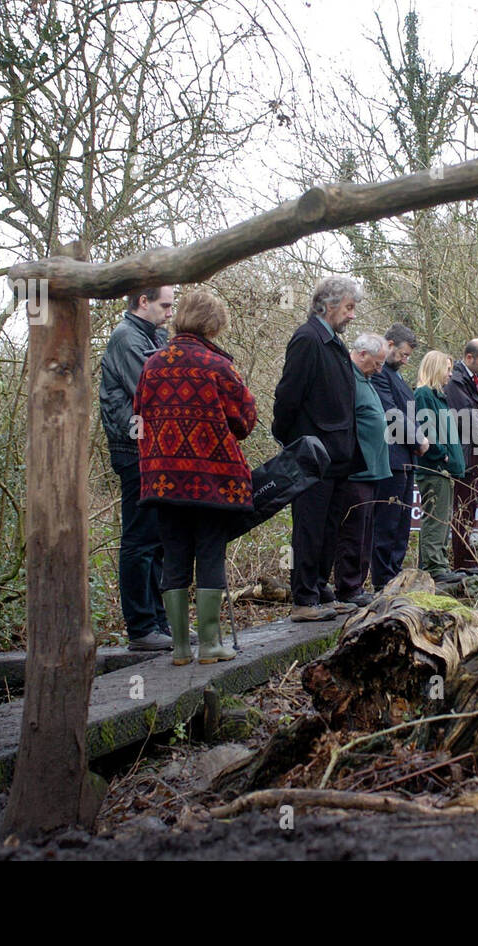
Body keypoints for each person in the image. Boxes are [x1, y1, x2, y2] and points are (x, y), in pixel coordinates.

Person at [134, 290, 256, 664]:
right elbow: (246, 420)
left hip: (162, 480)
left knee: (173, 558)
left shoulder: (152, 364)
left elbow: (137, 417)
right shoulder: (219, 367)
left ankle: (180, 648)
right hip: (211, 480)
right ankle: (210, 644)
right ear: (213, 324)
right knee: (209, 555)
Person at [272, 277, 365, 622]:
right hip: (312, 453)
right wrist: (291, 440)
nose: (352, 316)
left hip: (339, 455)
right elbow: (288, 396)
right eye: (349, 307)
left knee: (329, 526)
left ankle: (320, 588)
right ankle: (304, 598)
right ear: (327, 304)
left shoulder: (335, 344)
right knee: (309, 526)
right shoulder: (307, 339)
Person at [99, 285, 174, 651]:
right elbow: (155, 390)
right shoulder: (127, 338)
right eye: (165, 305)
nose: (170, 313)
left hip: (153, 449)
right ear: (143, 302)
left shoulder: (153, 335)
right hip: (133, 448)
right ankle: (142, 628)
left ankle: (159, 624)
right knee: (139, 540)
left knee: (157, 541)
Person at [333, 334, 392, 606]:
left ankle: (358, 583)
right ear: (362, 354)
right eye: (377, 364)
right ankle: (347, 587)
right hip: (356, 470)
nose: (380, 370)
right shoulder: (348, 380)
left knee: (366, 531)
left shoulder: (366, 380)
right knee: (352, 532)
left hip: (373, 470)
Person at [369, 323, 428, 590]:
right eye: (403, 354)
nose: (405, 360)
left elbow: (409, 413)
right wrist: (417, 439)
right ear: (389, 344)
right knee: (387, 522)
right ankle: (383, 579)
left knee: (402, 523)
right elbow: (391, 413)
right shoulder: (380, 374)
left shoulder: (398, 377)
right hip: (390, 458)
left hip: (406, 460)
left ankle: (395, 573)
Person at [444, 339, 478, 575]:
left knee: (472, 507)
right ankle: (462, 561)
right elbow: (465, 418)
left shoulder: (477, 380)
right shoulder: (456, 382)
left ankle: (468, 557)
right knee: (463, 508)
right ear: (469, 358)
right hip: (467, 454)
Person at [413, 351, 466, 583]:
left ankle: (436, 564)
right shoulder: (424, 394)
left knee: (443, 518)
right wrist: (441, 455)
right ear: (435, 368)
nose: (451, 374)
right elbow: (425, 428)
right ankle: (435, 567)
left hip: (444, 470)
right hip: (433, 469)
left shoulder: (439, 396)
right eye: (447, 368)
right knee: (436, 518)